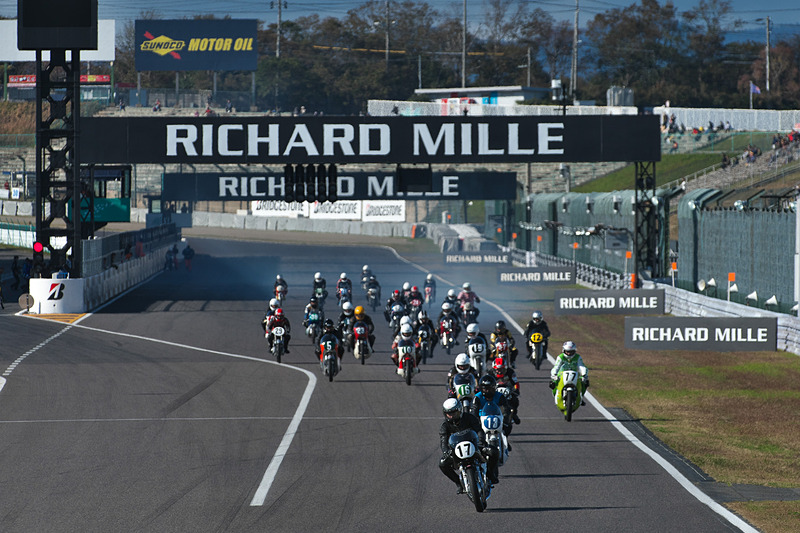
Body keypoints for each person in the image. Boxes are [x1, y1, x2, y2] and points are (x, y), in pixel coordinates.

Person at [439, 398, 489, 493]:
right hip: (457, 452)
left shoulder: (470, 418)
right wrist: (446, 452)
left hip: (474, 446)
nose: (451, 416)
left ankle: (491, 476)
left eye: (454, 413)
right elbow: (443, 441)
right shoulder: (444, 426)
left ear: (460, 410)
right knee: (442, 464)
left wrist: (481, 443)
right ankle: (458, 483)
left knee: (492, 451)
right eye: (449, 414)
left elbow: (479, 431)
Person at [471, 374, 508, 482]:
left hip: (497, 419)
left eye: (489, 388)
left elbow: (506, 408)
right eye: (484, 388)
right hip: (482, 421)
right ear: (481, 388)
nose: (487, 391)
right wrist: (475, 422)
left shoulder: (499, 396)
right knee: (478, 438)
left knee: (508, 427)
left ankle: (505, 443)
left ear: (494, 387)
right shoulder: (477, 397)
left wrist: (506, 419)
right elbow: (473, 411)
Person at [550, 340, 589, 405]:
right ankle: (556, 397)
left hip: (575, 374)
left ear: (574, 351)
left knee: (585, 383)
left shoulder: (577, 357)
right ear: (563, 350)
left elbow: (581, 366)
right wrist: (554, 375)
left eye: (571, 352)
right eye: (567, 351)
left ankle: (581, 397)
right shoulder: (560, 357)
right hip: (561, 374)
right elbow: (556, 366)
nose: (569, 353)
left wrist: (584, 374)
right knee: (553, 384)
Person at [491, 357, 521, 425]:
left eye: (502, 369)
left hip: (508, 390)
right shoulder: (490, 374)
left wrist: (516, 390)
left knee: (515, 400)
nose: (499, 371)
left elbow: (516, 383)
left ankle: (514, 414)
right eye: (498, 370)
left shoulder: (510, 372)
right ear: (494, 369)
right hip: (494, 391)